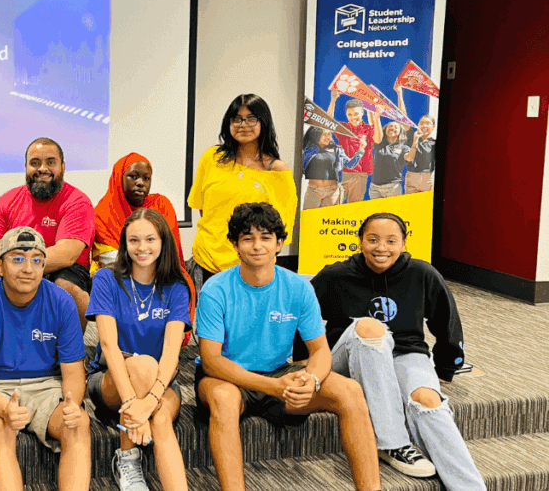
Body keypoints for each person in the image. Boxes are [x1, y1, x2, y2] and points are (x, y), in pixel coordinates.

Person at [195, 203, 380, 491]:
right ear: (235, 244)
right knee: (224, 399)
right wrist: (274, 387)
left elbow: (319, 351)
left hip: (279, 372)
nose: (257, 246)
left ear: (280, 243)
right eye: (247, 238)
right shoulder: (215, 290)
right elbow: (211, 360)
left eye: (266, 237)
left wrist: (312, 380)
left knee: (351, 392)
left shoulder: (298, 287)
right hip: (227, 377)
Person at [300, 212, 485, 490]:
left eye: (391, 241)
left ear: (404, 243)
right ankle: (392, 443)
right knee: (370, 329)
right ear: (360, 241)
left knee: (428, 399)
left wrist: (445, 368)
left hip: (405, 354)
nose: (381, 248)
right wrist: (302, 360)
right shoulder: (336, 275)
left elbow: (447, 322)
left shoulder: (422, 274)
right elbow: (302, 317)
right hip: (347, 357)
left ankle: (469, 486)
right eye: (373, 240)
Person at [0, 227, 90, 491]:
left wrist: (73, 404)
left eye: (36, 260)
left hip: (47, 385)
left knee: (76, 423)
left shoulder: (62, 301)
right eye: (17, 259)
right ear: (0, 264)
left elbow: (74, 373)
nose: (28, 268)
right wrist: (4, 407)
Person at [86, 208, 191, 491]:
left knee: (160, 421)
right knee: (142, 365)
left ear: (163, 242)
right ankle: (128, 457)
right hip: (111, 379)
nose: (142, 248)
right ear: (124, 243)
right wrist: (135, 403)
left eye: (150, 239)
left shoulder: (177, 287)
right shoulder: (107, 279)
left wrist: (148, 403)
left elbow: (172, 351)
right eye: (134, 241)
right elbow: (108, 346)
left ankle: (132, 458)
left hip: (163, 381)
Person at [0, 137, 95, 332]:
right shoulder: (7, 201)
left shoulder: (77, 201)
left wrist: (14, 266)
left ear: (63, 167)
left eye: (50, 162)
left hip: (64, 270)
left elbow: (66, 254)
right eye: (35, 163)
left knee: (65, 287)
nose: (42, 168)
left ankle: (70, 353)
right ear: (26, 167)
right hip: (11, 268)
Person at [187, 95, 297, 286]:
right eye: (236, 118)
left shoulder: (277, 171)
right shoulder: (212, 158)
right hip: (205, 263)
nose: (243, 124)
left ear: (264, 122)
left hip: (249, 271)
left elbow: (281, 228)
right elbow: (203, 208)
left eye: (251, 118)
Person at [92, 153, 185, 270]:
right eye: (133, 176)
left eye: (146, 178)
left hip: (161, 273)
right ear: (119, 177)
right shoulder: (102, 213)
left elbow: (171, 252)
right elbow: (111, 260)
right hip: (118, 276)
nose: (141, 183)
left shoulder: (161, 204)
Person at [327, 93, 381, 203]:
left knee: (353, 208)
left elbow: (378, 139)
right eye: (349, 114)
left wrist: (374, 114)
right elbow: (328, 122)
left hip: (360, 176)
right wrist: (333, 99)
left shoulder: (368, 129)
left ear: (362, 112)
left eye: (356, 113)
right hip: (342, 174)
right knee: (333, 205)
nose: (353, 117)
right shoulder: (344, 129)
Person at [301, 126, 364, 209]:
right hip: (313, 190)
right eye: (324, 134)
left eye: (329, 134)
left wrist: (360, 151)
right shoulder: (309, 150)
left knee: (329, 219)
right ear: (316, 135)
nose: (328, 137)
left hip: (332, 191)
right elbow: (301, 168)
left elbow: (349, 165)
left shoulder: (337, 150)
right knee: (308, 218)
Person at [395, 86, 437, 194]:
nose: (424, 125)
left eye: (428, 123)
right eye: (421, 123)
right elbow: (402, 117)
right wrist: (399, 93)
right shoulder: (411, 136)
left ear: (433, 127)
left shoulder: (434, 143)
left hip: (427, 179)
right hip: (411, 176)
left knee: (424, 208)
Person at [369, 122, 410, 199]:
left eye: (395, 127)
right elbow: (374, 124)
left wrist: (415, 142)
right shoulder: (379, 143)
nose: (392, 128)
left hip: (392, 187)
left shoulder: (404, 148)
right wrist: (376, 116)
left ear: (400, 132)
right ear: (385, 130)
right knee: (376, 211)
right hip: (375, 187)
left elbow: (409, 158)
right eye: (390, 126)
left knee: (392, 211)